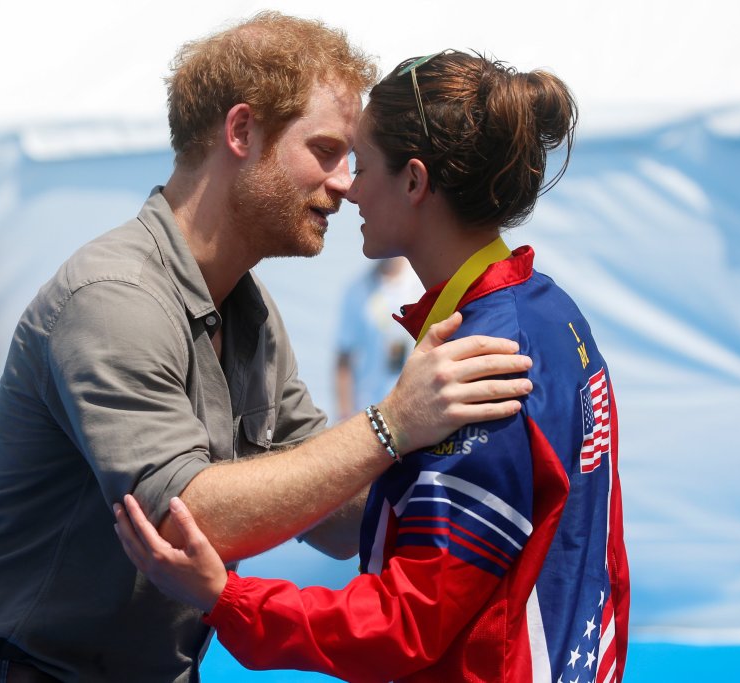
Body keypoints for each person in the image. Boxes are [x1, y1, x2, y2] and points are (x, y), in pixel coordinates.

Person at [0, 15, 534, 683]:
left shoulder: (248, 306)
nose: (347, 183)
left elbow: (329, 514)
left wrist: (491, 466)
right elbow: (193, 518)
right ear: (240, 131)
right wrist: (394, 424)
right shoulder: (113, 295)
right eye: (326, 150)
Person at [116, 50, 631, 683]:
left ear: (414, 182)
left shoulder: (482, 360)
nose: (346, 187)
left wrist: (227, 598)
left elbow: (406, 623)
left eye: (360, 164)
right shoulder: (548, 314)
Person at [334, 257, 424, 421]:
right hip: (369, 411)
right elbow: (343, 360)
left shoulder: (422, 282)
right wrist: (344, 415)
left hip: (415, 407)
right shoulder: (357, 290)